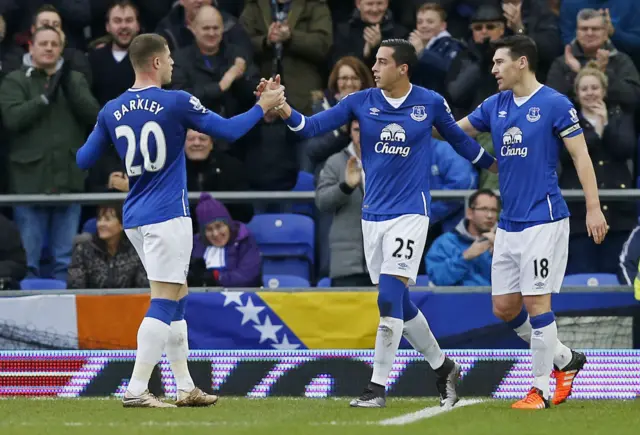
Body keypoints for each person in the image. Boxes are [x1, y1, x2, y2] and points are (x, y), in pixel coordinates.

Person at [256, 38, 497, 408]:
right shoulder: (360, 102)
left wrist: (497, 166)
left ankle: (377, 388)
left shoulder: (429, 102)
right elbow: (309, 127)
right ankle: (443, 366)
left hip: (411, 213)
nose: (375, 68)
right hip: (373, 216)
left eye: (382, 62)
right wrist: (283, 105)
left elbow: (461, 143)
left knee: (386, 298)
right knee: (398, 299)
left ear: (402, 68)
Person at [75, 33, 285, 408]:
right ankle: (137, 388)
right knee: (164, 298)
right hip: (167, 214)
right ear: (155, 62)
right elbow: (230, 131)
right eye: (169, 57)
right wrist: (263, 105)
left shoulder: (111, 108)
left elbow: (83, 159)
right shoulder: (176, 101)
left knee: (178, 298)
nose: (173, 63)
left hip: (135, 216)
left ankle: (185, 385)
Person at [449, 35, 608, 409]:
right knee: (504, 308)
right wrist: (425, 118)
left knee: (537, 302)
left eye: (499, 62)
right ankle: (566, 360)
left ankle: (539, 390)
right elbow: (454, 131)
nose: (493, 69)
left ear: (521, 63)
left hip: (544, 218)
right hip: (509, 223)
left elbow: (581, 157)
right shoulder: (495, 104)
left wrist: (594, 206)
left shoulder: (554, 103)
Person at [188, 193, 262, 288]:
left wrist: (216, 277)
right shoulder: (196, 244)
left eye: (219, 226)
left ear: (228, 225)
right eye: (209, 229)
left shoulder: (244, 240)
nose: (215, 233)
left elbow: (247, 276)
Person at [67, 204, 148, 290]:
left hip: (130, 302)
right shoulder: (83, 249)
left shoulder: (136, 249)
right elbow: (75, 287)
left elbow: (143, 288)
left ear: (122, 224)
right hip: (93, 302)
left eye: (107, 219)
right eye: (99, 219)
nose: (101, 224)